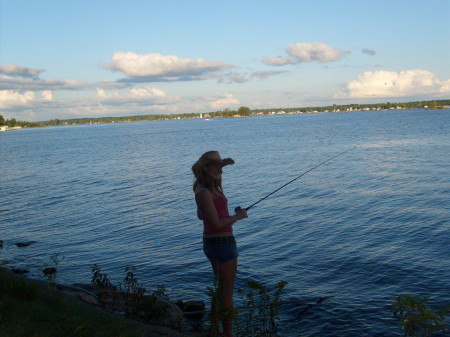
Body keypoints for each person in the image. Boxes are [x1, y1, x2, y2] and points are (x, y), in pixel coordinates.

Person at [192, 151, 247, 337]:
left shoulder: (205, 189)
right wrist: (237, 217)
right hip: (222, 243)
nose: (219, 169)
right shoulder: (205, 191)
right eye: (214, 166)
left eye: (221, 166)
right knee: (227, 292)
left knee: (221, 288)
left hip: (213, 243)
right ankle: (228, 333)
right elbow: (216, 224)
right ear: (204, 168)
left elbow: (202, 215)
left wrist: (225, 214)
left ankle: (214, 330)